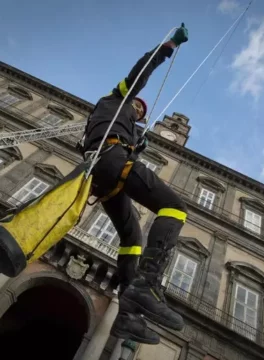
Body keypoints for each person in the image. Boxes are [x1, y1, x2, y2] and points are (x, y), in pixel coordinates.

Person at [81, 24, 189, 345]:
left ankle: (126, 316)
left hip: (104, 174)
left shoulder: (121, 124)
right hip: (110, 161)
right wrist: (167, 47)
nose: (139, 110)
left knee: (132, 237)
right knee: (175, 208)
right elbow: (141, 71)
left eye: (141, 112)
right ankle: (148, 285)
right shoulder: (116, 98)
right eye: (137, 106)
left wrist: (134, 143)